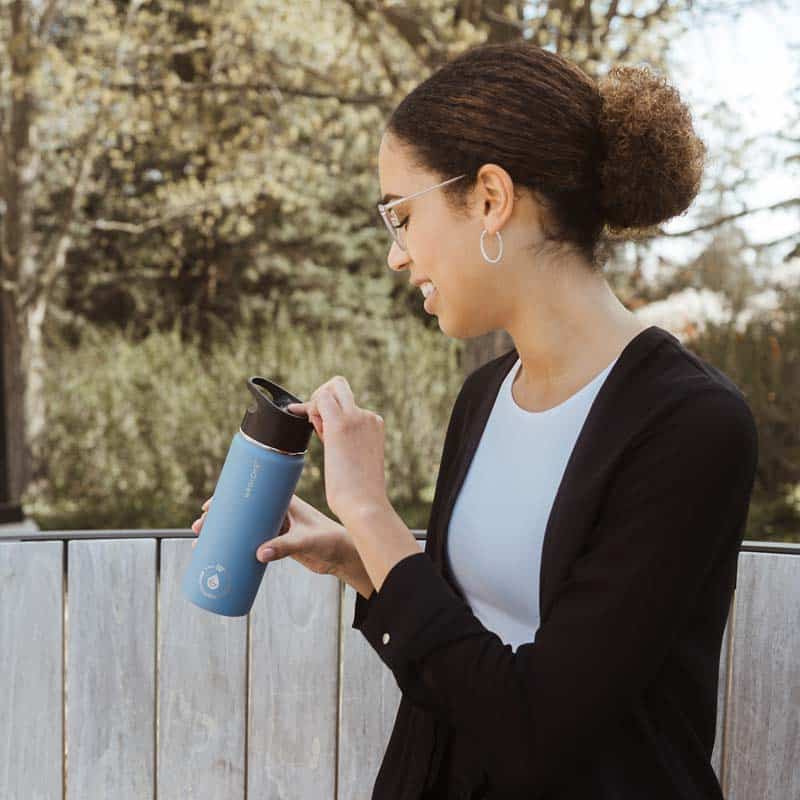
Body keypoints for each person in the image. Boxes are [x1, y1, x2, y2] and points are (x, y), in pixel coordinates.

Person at [193, 41, 758, 800]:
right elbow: (467, 656)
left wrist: (369, 511)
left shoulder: (692, 426)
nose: (396, 255)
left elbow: (536, 730)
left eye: (401, 214)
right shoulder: (487, 394)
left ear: (490, 198)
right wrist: (360, 559)